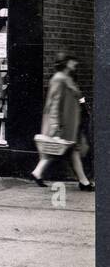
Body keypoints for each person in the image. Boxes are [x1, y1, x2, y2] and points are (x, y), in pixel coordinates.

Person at [33, 53, 93, 190]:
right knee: (72, 150)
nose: (75, 64)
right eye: (72, 61)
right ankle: (84, 182)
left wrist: (83, 105)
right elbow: (54, 103)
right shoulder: (59, 79)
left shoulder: (67, 78)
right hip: (64, 124)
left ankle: (37, 173)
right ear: (66, 63)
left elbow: (78, 96)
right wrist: (55, 125)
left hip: (70, 122)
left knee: (67, 150)